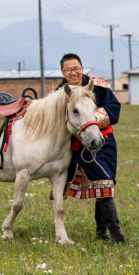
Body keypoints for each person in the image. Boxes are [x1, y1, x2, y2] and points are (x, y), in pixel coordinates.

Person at [56, 53, 126, 243]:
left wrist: (90, 121)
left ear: (82, 68)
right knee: (103, 181)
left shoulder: (98, 86)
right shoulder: (61, 93)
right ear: (62, 72)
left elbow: (114, 108)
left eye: (76, 68)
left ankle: (101, 231)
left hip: (106, 140)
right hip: (82, 145)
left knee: (109, 181)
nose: (73, 73)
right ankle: (116, 232)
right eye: (68, 70)